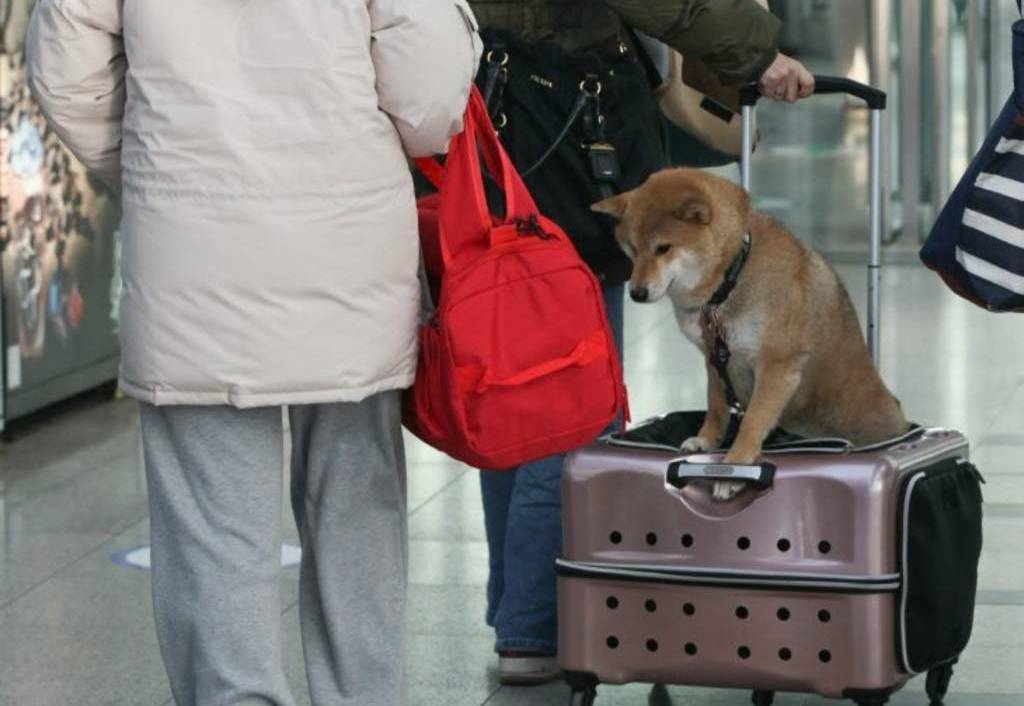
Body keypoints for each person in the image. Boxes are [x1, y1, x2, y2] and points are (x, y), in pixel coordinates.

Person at [26, 1, 481, 704]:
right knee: (354, 509)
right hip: (345, 249)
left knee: (213, 529)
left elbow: (65, 74)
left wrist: (160, 166)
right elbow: (428, 93)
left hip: (194, 253)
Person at [467, 0, 814, 685]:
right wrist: (756, 52)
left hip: (495, 115)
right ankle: (535, 627)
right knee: (571, 400)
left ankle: (517, 613)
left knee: (519, 392)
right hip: (568, 122)